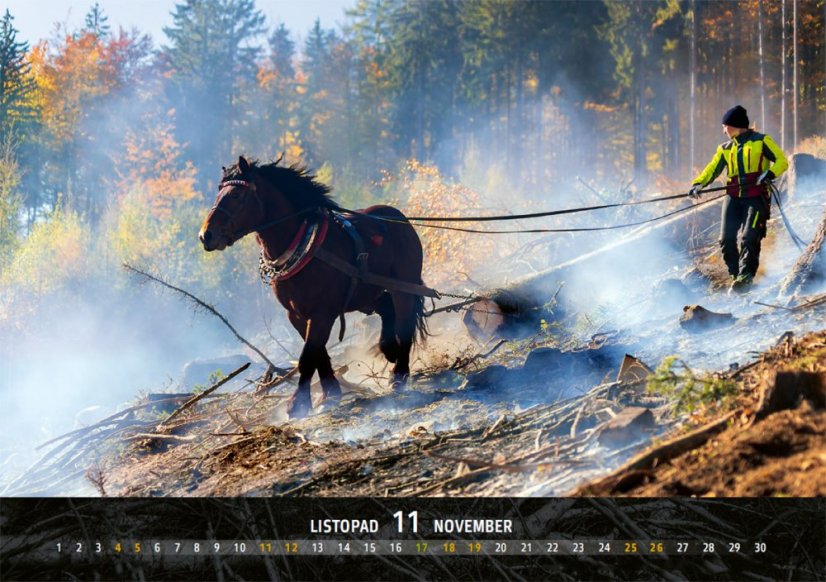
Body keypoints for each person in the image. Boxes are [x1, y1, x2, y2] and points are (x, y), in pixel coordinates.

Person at [689, 105, 788, 292]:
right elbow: (712, 169)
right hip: (733, 197)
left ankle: (745, 277)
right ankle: (736, 277)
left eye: (725, 126)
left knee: (749, 237)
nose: (723, 130)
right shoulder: (725, 148)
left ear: (735, 125)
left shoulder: (761, 140)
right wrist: (698, 184)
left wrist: (769, 173)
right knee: (725, 240)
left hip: (756, 197)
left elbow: (782, 161)